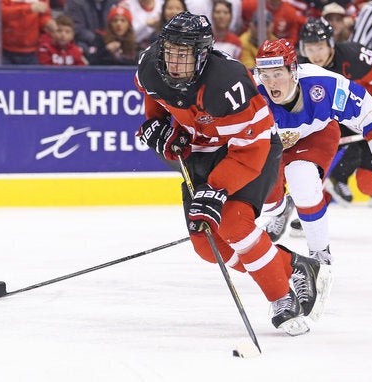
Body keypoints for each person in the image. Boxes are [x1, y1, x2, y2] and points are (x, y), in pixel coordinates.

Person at [135, 11, 329, 335]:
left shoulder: (227, 81)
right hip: (203, 151)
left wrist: (217, 189)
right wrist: (157, 126)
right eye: (170, 51)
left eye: (184, 54)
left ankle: (282, 298)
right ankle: (294, 266)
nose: (174, 61)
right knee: (207, 246)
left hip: (254, 147)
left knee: (232, 222)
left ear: (202, 53)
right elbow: (156, 100)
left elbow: (248, 149)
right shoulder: (150, 67)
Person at [255, 39, 372, 254]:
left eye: (278, 74)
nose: (271, 83)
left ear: (293, 71)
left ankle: (321, 258)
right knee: (269, 204)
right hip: (270, 145)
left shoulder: (324, 84)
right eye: (265, 75)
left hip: (315, 135)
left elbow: (369, 114)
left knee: (302, 182)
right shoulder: (251, 92)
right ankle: (279, 208)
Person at [297, 18, 372, 210]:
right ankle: (311, 210)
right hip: (339, 121)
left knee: (368, 184)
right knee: (310, 161)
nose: (315, 55)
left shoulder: (354, 56)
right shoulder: (301, 70)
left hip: (369, 117)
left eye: (319, 47)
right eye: (310, 49)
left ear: (330, 44)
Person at [0, 0, 56, 64]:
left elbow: (44, 14)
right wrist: (29, 8)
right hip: (1, 50)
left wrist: (47, 23)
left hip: (30, 51)